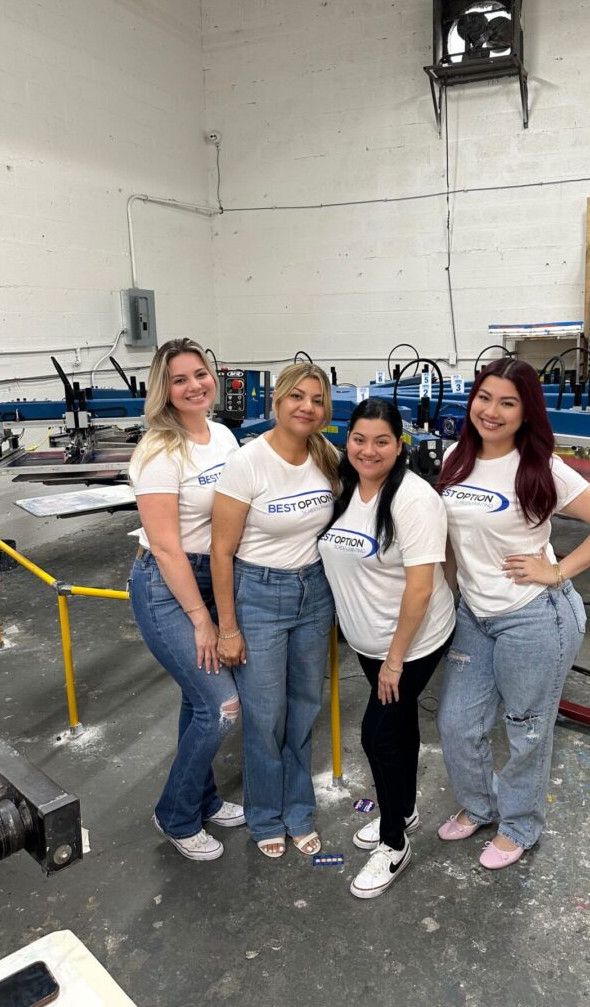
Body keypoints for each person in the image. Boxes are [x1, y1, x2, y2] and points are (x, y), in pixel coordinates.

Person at [435, 358, 590, 869]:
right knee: (457, 723)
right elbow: (453, 537)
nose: (492, 411)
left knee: (525, 727)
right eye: (485, 397)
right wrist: (449, 588)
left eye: (508, 402)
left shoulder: (541, 466)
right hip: (475, 616)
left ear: (526, 412)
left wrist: (558, 570)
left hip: (534, 618)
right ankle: (482, 806)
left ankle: (520, 825)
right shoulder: (456, 456)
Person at [318, 399, 456, 898]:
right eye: (359, 439)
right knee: (399, 727)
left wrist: (395, 661)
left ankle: (394, 842)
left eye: (382, 441)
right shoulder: (345, 488)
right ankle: (406, 806)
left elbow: (421, 587)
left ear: (400, 446)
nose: (368, 450)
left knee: (377, 736)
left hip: (413, 642)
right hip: (368, 638)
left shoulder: (414, 500)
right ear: (347, 440)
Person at [211, 362, 339, 859]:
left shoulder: (325, 455)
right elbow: (222, 551)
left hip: (314, 593)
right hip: (259, 595)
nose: (307, 406)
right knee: (266, 716)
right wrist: (227, 627)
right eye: (297, 397)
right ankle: (265, 814)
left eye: (317, 399)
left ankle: (299, 811)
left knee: (304, 709)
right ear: (277, 402)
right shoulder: (247, 463)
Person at [128, 338, 245, 862]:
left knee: (196, 698)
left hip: (212, 576)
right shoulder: (158, 450)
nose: (195, 385)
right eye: (180, 379)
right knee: (222, 705)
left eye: (200, 374)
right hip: (166, 586)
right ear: (165, 389)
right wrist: (202, 619)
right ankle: (175, 814)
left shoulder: (222, 436)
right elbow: (167, 546)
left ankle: (203, 798)